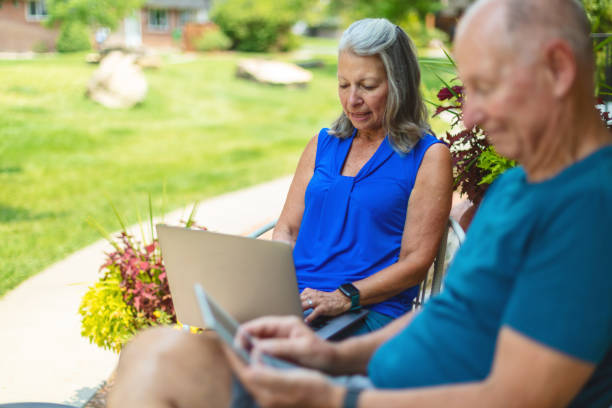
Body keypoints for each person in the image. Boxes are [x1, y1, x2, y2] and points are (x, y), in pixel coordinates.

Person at [107, 0, 612, 407]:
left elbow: (518, 396)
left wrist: (335, 395)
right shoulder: (516, 190)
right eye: (344, 85)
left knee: (161, 363)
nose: (471, 117)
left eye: (484, 87)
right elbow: (449, 312)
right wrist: (327, 362)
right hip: (346, 360)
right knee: (149, 349)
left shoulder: (591, 208)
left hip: (372, 375)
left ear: (558, 69)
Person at [271, 18, 452, 334]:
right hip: (297, 304)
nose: (351, 100)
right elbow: (286, 229)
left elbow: (415, 262)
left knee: (261, 365)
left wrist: (345, 297)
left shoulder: (429, 156)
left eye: (367, 86)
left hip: (367, 312)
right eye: (343, 84)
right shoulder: (322, 145)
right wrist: (273, 288)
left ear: (399, 84)